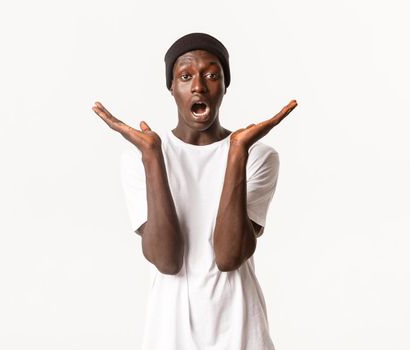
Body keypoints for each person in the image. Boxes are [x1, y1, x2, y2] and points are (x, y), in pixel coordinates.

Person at [92, 32, 297, 350]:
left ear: (225, 87)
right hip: (169, 336)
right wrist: (153, 159)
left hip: (242, 336)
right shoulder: (139, 158)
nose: (199, 86)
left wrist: (237, 151)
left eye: (212, 75)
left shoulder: (258, 156)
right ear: (171, 88)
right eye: (185, 76)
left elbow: (229, 256)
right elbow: (167, 260)